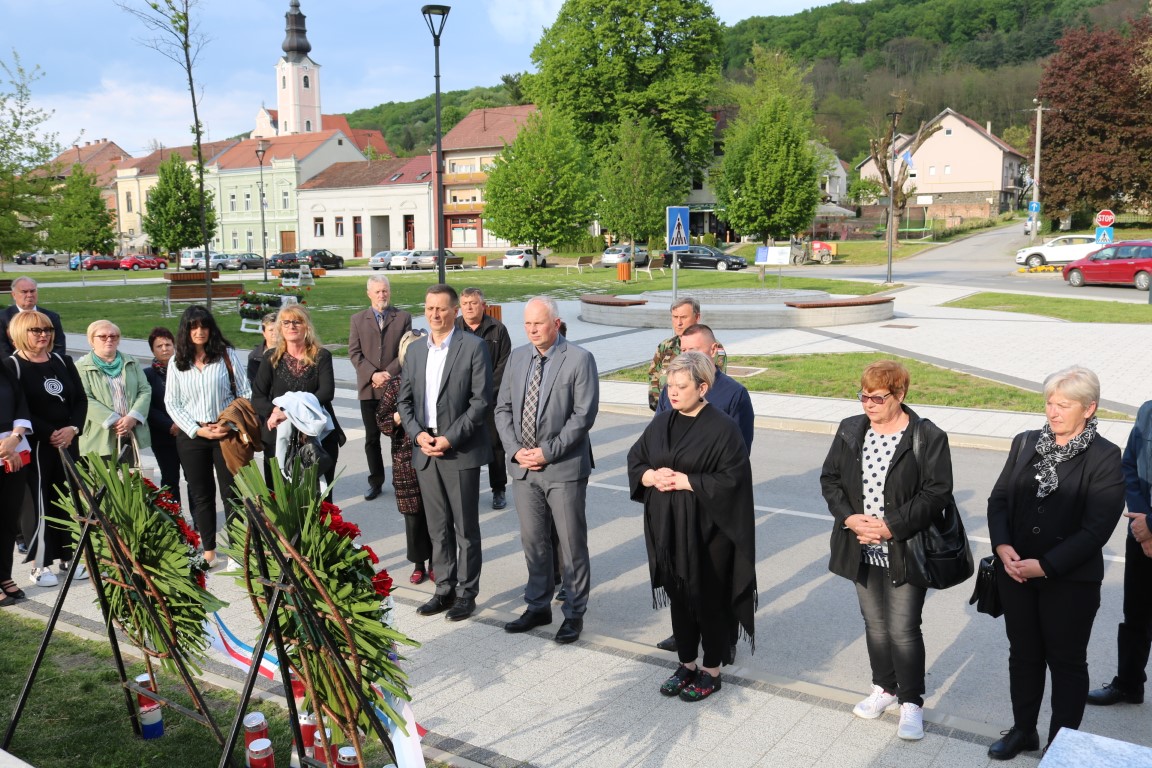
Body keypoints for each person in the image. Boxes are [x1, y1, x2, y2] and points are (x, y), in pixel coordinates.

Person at [986, 365, 1124, 759]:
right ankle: (1023, 731)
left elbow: (1096, 529)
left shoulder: (1105, 456)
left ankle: (1061, 746)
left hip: (1070, 582)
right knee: (1024, 656)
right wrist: (1003, 546)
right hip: (1016, 575)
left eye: (1064, 404)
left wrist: (1044, 565)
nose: (1053, 411)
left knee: (1065, 663)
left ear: (1089, 408)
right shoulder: (1025, 442)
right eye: (1049, 402)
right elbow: (999, 500)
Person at [819, 360, 953, 741]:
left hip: (905, 547)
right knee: (875, 624)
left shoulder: (926, 436)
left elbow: (937, 492)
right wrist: (850, 519)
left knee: (904, 628)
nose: (868, 404)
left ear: (900, 395)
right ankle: (885, 689)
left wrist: (890, 526)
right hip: (859, 545)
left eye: (878, 397)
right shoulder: (850, 430)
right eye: (863, 395)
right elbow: (830, 479)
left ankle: (911, 702)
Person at [626, 352, 756, 702]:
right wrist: (651, 475)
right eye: (670, 385)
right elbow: (636, 458)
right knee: (680, 598)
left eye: (681, 386)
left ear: (703, 387)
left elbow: (734, 479)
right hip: (667, 527)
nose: (673, 392)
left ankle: (711, 670)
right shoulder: (662, 421)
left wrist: (687, 481)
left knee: (707, 600)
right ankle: (686, 662)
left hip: (708, 531)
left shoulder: (722, 427)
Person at [495, 296, 599, 645]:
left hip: (563, 468)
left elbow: (583, 416)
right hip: (524, 469)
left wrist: (546, 451)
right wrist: (516, 451)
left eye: (538, 324)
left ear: (555, 323)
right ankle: (538, 605)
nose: (532, 330)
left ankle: (573, 612)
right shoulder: (518, 357)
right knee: (533, 541)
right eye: (527, 324)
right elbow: (503, 409)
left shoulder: (580, 359)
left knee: (570, 544)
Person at [654, 322, 754, 654]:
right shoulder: (674, 387)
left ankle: (721, 640)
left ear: (713, 351)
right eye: (683, 351)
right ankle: (685, 636)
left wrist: (695, 481)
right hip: (676, 503)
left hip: (713, 506)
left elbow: (738, 456)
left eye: (695, 351)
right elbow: (659, 432)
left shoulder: (734, 394)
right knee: (681, 575)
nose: (687, 356)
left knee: (714, 580)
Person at [397, 284, 492, 623]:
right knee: (437, 527)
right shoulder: (417, 350)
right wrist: (419, 434)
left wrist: (449, 438)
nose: (434, 314)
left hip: (458, 450)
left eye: (441, 308)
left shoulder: (474, 347)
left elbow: (481, 401)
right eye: (429, 308)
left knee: (465, 527)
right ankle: (444, 588)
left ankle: (467, 594)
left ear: (454, 311)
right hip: (425, 450)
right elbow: (404, 401)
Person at [3, 310, 87, 587]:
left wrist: (72, 429)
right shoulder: (12, 365)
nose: (43, 335)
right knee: (38, 504)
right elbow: (19, 407)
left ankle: (69, 556)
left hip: (67, 442)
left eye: (48, 330)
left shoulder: (62, 360)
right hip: (37, 445)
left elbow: (80, 400)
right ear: (20, 333)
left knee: (69, 499)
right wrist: (49, 432)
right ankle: (41, 564)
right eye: (36, 330)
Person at [164, 305, 251, 567]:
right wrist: (196, 429)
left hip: (226, 433)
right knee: (200, 493)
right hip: (193, 434)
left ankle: (237, 549)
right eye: (194, 327)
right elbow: (172, 402)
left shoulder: (226, 355)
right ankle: (209, 550)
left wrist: (228, 425)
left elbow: (244, 393)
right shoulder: (177, 361)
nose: (199, 332)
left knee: (231, 493)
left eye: (204, 326)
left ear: (211, 329)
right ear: (186, 331)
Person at [1088, 397, 1152, 707]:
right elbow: (1129, 464)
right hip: (1141, 533)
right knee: (1136, 613)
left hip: (1147, 527)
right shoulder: (1148, 411)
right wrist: (1143, 525)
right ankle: (1129, 684)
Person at [252, 304, 342, 488]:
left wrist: (289, 411)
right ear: (280, 328)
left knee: (319, 499)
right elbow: (258, 397)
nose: (291, 326)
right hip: (279, 436)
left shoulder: (321, 356)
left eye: (297, 322)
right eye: (286, 322)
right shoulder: (271, 358)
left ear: (307, 326)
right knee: (281, 498)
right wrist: (275, 411)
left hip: (317, 437)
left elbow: (326, 393)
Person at [375, 330, 434, 585]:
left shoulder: (435, 379)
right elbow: (382, 421)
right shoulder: (395, 384)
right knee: (413, 514)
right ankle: (419, 563)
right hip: (405, 457)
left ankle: (437, 562)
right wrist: (399, 416)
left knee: (435, 512)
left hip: (433, 454)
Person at [349, 275, 412, 501]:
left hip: (395, 388)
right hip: (369, 388)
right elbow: (354, 353)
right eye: (377, 292)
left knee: (399, 437)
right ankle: (376, 481)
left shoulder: (403, 317)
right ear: (369, 294)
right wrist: (373, 374)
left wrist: (388, 374)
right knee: (371, 439)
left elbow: (406, 350)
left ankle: (401, 478)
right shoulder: (357, 319)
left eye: (385, 291)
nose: (382, 295)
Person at [455, 287, 512, 510]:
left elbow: (503, 365)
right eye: (465, 303)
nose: (469, 307)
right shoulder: (454, 328)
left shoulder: (498, 329)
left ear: (483, 305)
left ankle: (499, 489)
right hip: (462, 400)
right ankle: (466, 490)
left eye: (474, 303)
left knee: (495, 446)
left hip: (490, 399)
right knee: (464, 445)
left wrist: (484, 392)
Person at [75, 320, 151, 461]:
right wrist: (115, 421)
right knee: (104, 481)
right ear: (92, 340)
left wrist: (132, 417)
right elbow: (84, 398)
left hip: (129, 433)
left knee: (130, 480)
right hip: (99, 437)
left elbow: (145, 390)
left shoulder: (132, 362)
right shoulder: (81, 367)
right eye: (102, 336)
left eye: (113, 336)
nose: (109, 339)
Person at [646, 297, 726, 411]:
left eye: (683, 317)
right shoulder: (666, 346)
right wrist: (659, 408)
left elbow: (717, 384)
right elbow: (654, 376)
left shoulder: (710, 347)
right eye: (675, 317)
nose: (678, 323)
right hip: (667, 414)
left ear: (697, 317)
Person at [0, 358, 32, 605]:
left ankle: (4, 575)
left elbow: (21, 404)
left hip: (14, 449)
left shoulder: (4, 368)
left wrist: (14, 438)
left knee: (9, 517)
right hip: (5, 451)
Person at [143, 327, 182, 504]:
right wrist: (169, 425)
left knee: (195, 479)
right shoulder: (147, 375)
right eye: (159, 346)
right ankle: (175, 521)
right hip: (163, 436)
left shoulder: (185, 370)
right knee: (169, 479)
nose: (165, 348)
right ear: (153, 350)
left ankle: (199, 522)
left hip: (187, 432)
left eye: (168, 344)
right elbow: (147, 407)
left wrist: (182, 424)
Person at [0, 277, 66, 357]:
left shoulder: (52, 317)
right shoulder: (3, 318)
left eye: (32, 291)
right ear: (14, 295)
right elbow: (2, 349)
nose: (29, 295)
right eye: (24, 292)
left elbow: (59, 346)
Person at [247, 312, 279, 385]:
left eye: (278, 329)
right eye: (271, 330)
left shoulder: (292, 351)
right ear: (264, 333)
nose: (275, 332)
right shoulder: (254, 357)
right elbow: (254, 385)